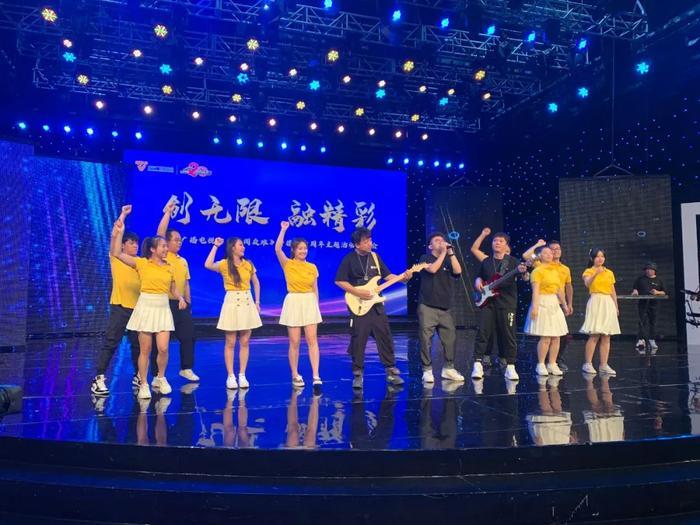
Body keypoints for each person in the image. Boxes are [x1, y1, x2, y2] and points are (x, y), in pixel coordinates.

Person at [111, 205, 187, 399]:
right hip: (146, 306)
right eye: (162, 246)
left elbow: (173, 287)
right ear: (153, 249)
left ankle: (160, 378)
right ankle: (143, 383)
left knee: (163, 348)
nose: (166, 249)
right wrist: (119, 231)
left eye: (166, 246)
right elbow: (117, 253)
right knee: (145, 349)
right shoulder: (142, 263)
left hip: (162, 307)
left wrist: (180, 297)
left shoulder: (169, 266)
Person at [334, 227, 412, 389]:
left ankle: (391, 371)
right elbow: (339, 281)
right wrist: (357, 292)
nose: (370, 243)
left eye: (370, 240)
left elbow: (388, 276)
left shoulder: (375, 257)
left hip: (376, 306)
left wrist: (403, 278)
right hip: (359, 305)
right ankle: (358, 374)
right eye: (365, 241)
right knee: (358, 339)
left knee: (385, 336)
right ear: (357, 244)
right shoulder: (349, 259)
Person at [92, 207, 142, 396]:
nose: (135, 246)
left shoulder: (139, 262)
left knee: (138, 345)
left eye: (136, 244)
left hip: (137, 309)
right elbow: (115, 235)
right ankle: (98, 378)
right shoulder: (116, 258)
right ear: (123, 246)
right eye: (131, 243)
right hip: (120, 307)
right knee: (111, 342)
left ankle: (138, 375)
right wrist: (123, 216)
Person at [205, 237, 262, 390]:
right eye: (240, 245)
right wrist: (215, 246)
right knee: (230, 342)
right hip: (231, 301)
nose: (243, 247)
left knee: (245, 341)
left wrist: (257, 302)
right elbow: (208, 264)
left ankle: (242, 374)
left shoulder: (248, 264)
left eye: (243, 245)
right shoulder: (224, 264)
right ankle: (231, 376)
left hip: (247, 301)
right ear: (232, 248)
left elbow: (256, 282)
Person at [470, 232, 528, 381]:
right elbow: (479, 276)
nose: (497, 243)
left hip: (507, 303)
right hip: (488, 303)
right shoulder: (486, 261)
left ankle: (510, 366)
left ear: (506, 245)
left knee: (509, 335)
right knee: (483, 332)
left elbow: (525, 278)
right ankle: (477, 364)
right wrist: (478, 281)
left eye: (501, 241)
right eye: (495, 240)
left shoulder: (513, 261)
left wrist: (524, 273)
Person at [274, 221, 323, 388]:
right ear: (294, 250)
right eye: (300, 248)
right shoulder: (288, 264)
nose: (303, 251)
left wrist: (316, 306)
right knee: (294, 341)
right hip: (294, 301)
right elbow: (277, 249)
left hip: (309, 301)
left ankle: (316, 375)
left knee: (312, 339)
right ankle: (295, 374)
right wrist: (283, 230)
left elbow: (315, 289)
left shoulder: (312, 267)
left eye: (305, 248)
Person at [154, 202, 198, 382]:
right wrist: (168, 213)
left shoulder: (182, 261)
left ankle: (186, 368)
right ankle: (157, 374)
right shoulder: (162, 257)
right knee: (160, 343)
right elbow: (160, 233)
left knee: (189, 336)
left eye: (180, 240)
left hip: (181, 304)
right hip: (164, 303)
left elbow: (186, 283)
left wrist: (188, 303)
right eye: (176, 240)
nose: (179, 242)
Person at [417, 232, 464, 383]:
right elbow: (432, 269)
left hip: (445, 306)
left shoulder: (447, 260)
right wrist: (444, 253)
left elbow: (458, 271)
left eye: (442, 240)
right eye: (437, 241)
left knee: (450, 338)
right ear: (430, 246)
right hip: (427, 305)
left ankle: (449, 368)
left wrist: (451, 253)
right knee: (426, 339)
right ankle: (427, 370)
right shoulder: (424, 258)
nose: (441, 242)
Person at [523, 239, 574, 371]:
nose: (550, 254)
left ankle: (552, 363)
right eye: (546, 253)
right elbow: (535, 291)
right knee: (545, 336)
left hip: (554, 303)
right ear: (540, 256)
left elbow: (560, 290)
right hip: (542, 301)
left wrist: (565, 305)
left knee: (557, 336)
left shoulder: (557, 271)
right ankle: (541, 364)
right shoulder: (538, 269)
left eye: (551, 253)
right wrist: (535, 307)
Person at [580, 248, 620, 375]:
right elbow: (587, 284)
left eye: (602, 256)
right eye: (597, 256)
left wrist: (616, 306)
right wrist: (596, 273)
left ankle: (604, 364)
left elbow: (612, 290)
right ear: (592, 258)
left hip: (607, 302)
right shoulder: (588, 271)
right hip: (596, 300)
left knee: (606, 336)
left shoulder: (609, 272)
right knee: (595, 334)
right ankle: (588, 363)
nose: (600, 259)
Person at [631, 262, 666, 352]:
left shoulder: (659, 280)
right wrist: (635, 292)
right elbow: (635, 288)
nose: (648, 271)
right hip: (643, 303)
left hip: (654, 304)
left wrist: (657, 292)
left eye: (650, 269)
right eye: (647, 269)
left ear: (654, 271)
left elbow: (664, 292)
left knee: (653, 322)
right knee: (642, 321)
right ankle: (641, 340)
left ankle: (652, 339)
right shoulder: (640, 279)